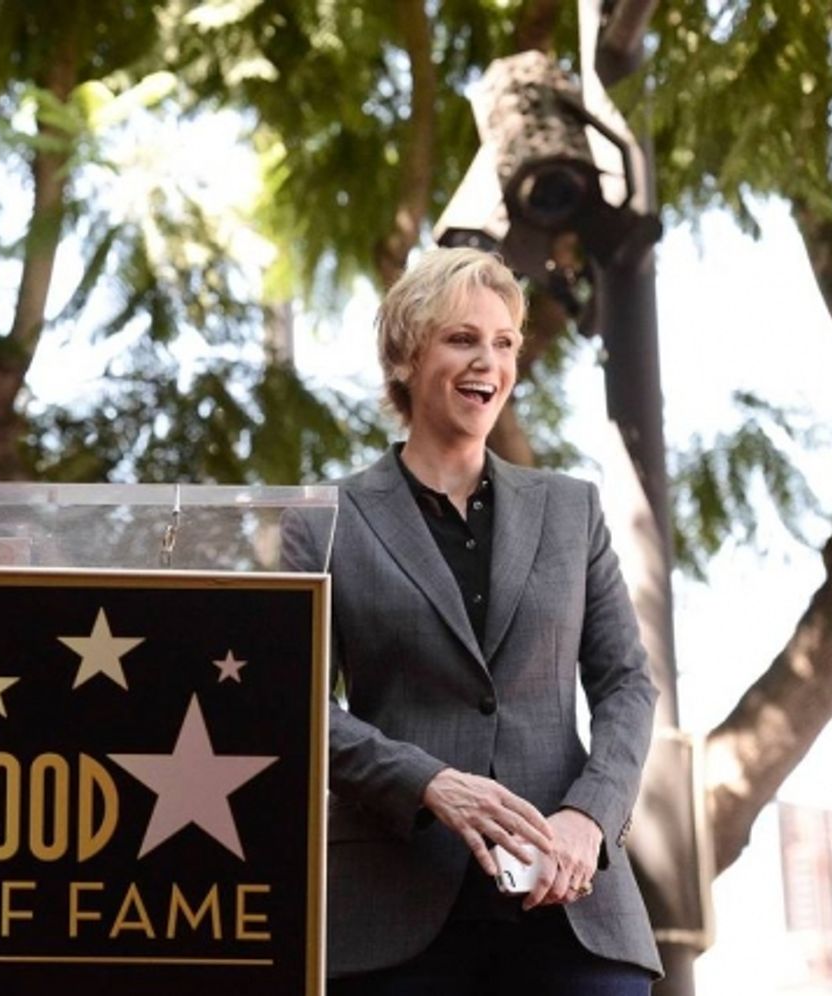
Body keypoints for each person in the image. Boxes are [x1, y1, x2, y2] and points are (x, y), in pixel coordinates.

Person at [283, 247, 661, 993]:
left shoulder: (571, 508)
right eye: (461, 338)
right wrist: (427, 782)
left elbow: (627, 686)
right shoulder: (325, 522)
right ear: (405, 357)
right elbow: (294, 703)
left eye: (503, 343)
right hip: (390, 909)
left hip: (571, 903)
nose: (486, 360)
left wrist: (590, 818)